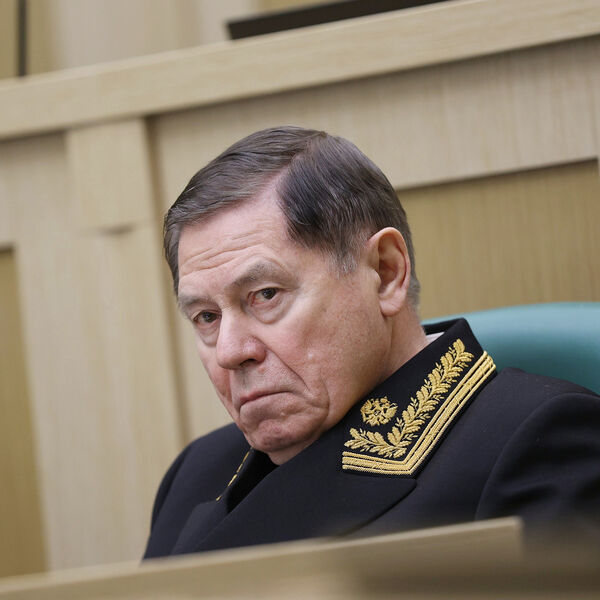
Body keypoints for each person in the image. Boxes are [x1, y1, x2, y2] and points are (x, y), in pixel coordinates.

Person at [144, 126, 600, 559]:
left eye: (266, 295)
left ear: (385, 273)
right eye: (207, 317)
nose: (230, 352)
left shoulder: (538, 443)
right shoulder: (196, 472)